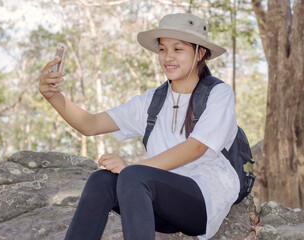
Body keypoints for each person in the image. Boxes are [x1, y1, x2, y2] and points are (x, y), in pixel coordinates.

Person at [39, 13, 239, 240]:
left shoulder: (218, 94)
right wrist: (53, 96)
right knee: (101, 180)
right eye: (162, 49)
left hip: (202, 202)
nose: (167, 57)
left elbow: (196, 148)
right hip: (159, 202)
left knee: (134, 175)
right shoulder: (152, 101)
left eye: (178, 49)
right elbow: (90, 124)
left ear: (200, 53)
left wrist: (132, 169)